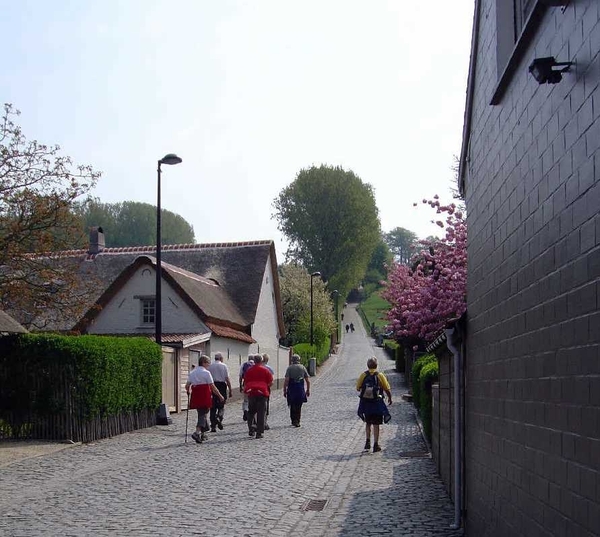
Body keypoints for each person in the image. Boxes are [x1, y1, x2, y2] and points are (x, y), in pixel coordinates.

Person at [185, 355, 225, 444]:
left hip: (196, 394)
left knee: (202, 412)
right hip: (204, 394)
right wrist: (220, 395)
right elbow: (212, 386)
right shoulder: (206, 373)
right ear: (203, 363)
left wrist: (188, 391)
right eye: (208, 363)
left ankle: (203, 433)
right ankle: (197, 432)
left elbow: (187, 385)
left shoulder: (192, 372)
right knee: (203, 414)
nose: (209, 365)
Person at [356, 357, 392, 453]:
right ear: (376, 365)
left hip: (366, 403)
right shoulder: (380, 375)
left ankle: (367, 441)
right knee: (376, 424)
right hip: (377, 403)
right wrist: (390, 398)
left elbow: (358, 387)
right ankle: (376, 444)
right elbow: (387, 388)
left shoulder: (363, 375)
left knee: (368, 422)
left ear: (368, 366)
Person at [243, 354, 273, 439]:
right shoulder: (265, 370)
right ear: (261, 360)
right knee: (261, 412)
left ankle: (251, 428)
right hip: (262, 393)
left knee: (251, 411)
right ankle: (259, 432)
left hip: (252, 392)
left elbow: (245, 381)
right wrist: (266, 387)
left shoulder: (249, 370)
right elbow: (271, 381)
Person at [208, 352, 233, 432]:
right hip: (222, 385)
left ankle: (213, 426)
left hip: (212, 385)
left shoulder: (210, 366)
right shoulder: (224, 366)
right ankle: (219, 417)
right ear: (221, 358)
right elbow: (227, 378)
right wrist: (230, 389)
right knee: (221, 406)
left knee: (212, 407)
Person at [283, 354, 310, 427]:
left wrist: (284, 390)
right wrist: (308, 390)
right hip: (300, 388)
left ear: (292, 360)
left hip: (292, 388)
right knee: (299, 405)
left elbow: (286, 380)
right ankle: (297, 420)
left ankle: (293, 420)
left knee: (292, 404)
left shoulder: (289, 368)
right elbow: (307, 380)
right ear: (299, 360)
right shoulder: (303, 367)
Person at [239, 356, 254, 421]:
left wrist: (240, 385)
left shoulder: (244, 365)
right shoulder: (256, 365)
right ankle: (252, 413)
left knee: (246, 400)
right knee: (254, 399)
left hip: (246, 384)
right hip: (254, 385)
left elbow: (240, 376)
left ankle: (245, 410)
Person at [262, 353, 274, 431]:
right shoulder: (269, 368)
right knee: (265, 405)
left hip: (255, 389)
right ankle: (264, 422)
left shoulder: (255, 367)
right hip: (265, 388)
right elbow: (271, 380)